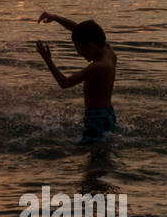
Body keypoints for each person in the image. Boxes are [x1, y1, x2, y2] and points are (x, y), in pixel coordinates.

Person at [36, 12, 117, 142]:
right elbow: (78, 30)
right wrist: (56, 17)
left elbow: (64, 83)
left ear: (90, 46)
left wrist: (47, 59)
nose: (78, 53)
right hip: (107, 114)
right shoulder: (108, 51)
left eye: (79, 48)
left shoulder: (97, 66)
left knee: (91, 154)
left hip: (95, 119)